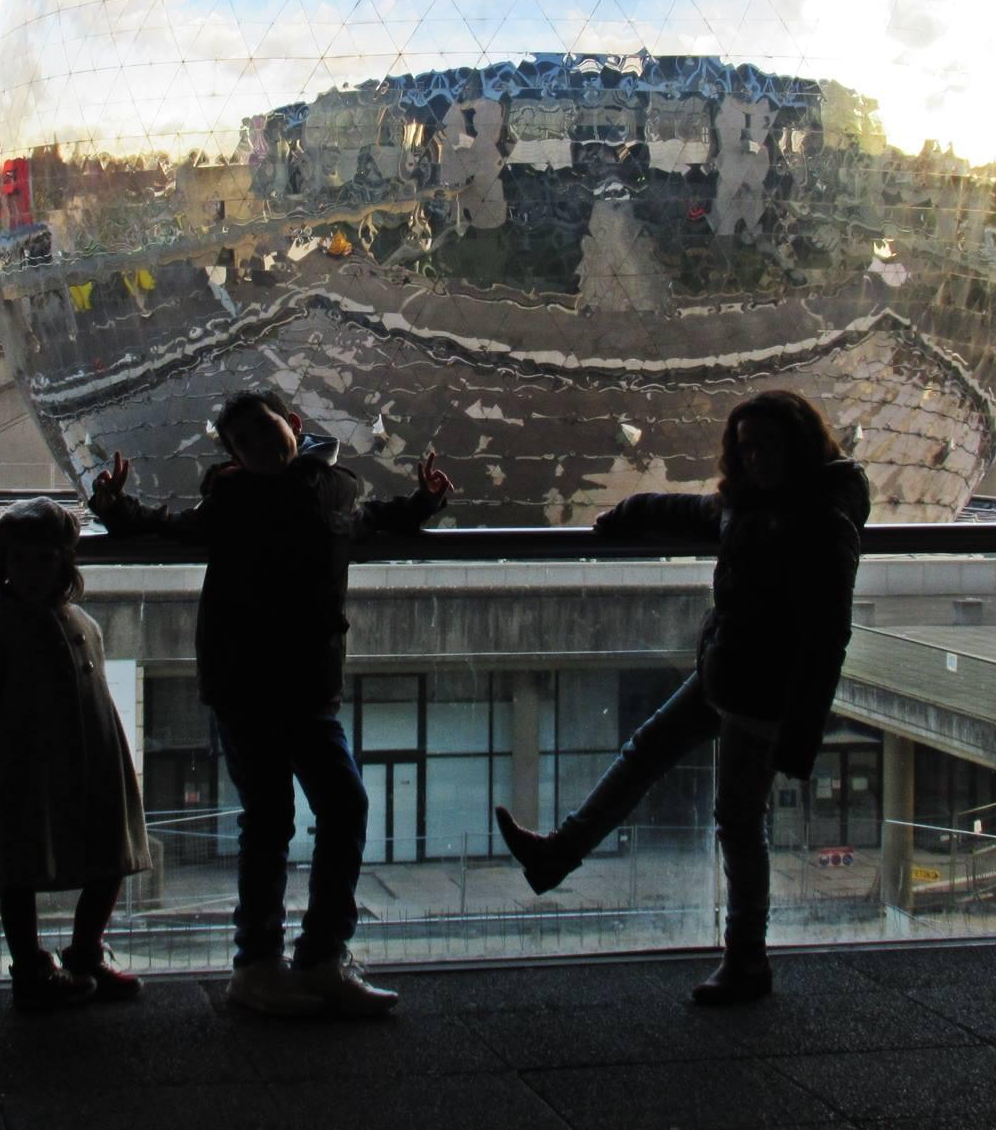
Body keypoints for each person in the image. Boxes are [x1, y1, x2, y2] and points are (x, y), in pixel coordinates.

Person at [495, 389, 870, 1006]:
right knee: (647, 752)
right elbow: (693, 511)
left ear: (799, 446)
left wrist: (801, 733)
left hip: (761, 696)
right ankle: (557, 855)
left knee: (737, 823)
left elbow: (830, 633)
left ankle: (746, 958)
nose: (756, 459)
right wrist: (628, 512)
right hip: (726, 675)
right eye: (746, 449)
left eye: (767, 447)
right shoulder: (753, 504)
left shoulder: (822, 520)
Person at [91, 390, 452, 1017]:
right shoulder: (307, 492)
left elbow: (166, 526)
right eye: (245, 442)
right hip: (280, 684)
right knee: (320, 810)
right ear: (235, 453)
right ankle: (309, 959)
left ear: (292, 425)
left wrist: (423, 502)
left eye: (263, 433)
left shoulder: (273, 498)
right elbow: (375, 523)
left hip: (262, 681)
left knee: (280, 819)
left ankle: (266, 965)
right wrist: (424, 502)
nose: (259, 448)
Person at [0, 497, 151, 1014]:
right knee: (20, 868)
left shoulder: (83, 623)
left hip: (88, 762)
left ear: (64, 562)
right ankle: (33, 967)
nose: (31, 572)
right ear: (4, 567)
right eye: (19, 560)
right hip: (19, 770)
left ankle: (83, 953)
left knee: (109, 858)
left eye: (43, 559)